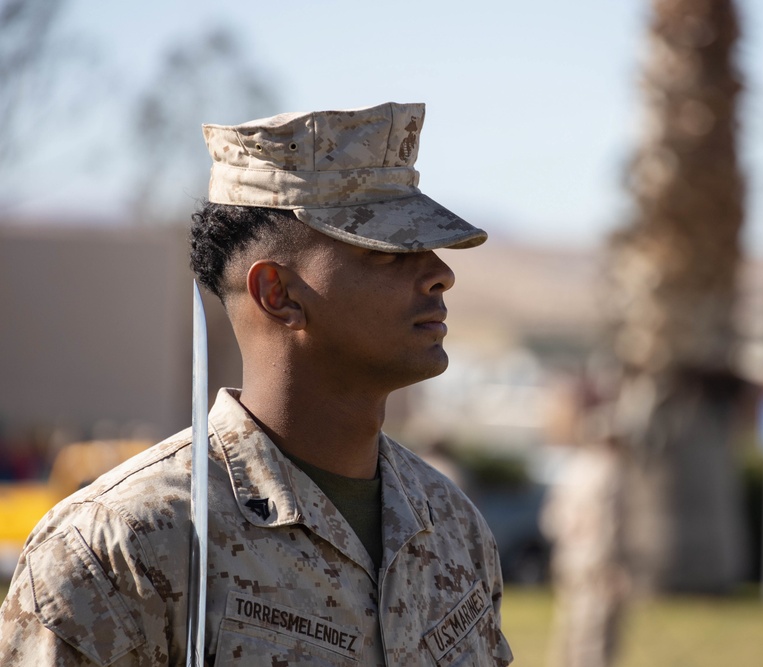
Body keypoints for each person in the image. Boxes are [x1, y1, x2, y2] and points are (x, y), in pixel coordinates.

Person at [0, 103, 513, 666]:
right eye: (386, 251)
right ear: (278, 293)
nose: (441, 272)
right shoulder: (123, 547)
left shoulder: (450, 526)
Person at [540, 412, 629, 667]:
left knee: (568, 625)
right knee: (596, 630)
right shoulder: (611, 470)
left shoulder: (573, 467)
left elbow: (550, 519)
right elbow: (612, 522)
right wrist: (612, 564)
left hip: (568, 555)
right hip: (598, 559)